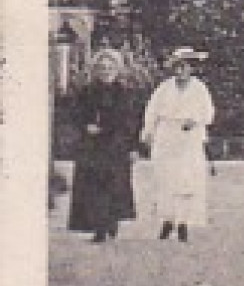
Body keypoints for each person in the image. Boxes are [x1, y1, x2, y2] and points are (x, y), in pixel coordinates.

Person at [66, 48, 142, 243]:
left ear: (116, 70)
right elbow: (75, 115)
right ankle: (99, 227)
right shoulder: (87, 92)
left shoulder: (125, 93)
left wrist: (134, 147)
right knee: (94, 187)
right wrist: (85, 126)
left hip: (117, 146)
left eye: (109, 68)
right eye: (101, 68)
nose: (105, 71)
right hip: (93, 146)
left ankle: (111, 222)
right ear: (96, 70)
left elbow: (132, 122)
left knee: (114, 186)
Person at [141, 47, 215, 243]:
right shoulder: (165, 88)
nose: (180, 70)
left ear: (191, 68)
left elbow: (208, 113)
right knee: (166, 179)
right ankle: (168, 220)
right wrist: (148, 131)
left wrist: (195, 119)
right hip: (166, 136)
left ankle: (183, 222)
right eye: (177, 67)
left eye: (184, 66)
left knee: (186, 180)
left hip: (189, 138)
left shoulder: (199, 88)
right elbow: (152, 110)